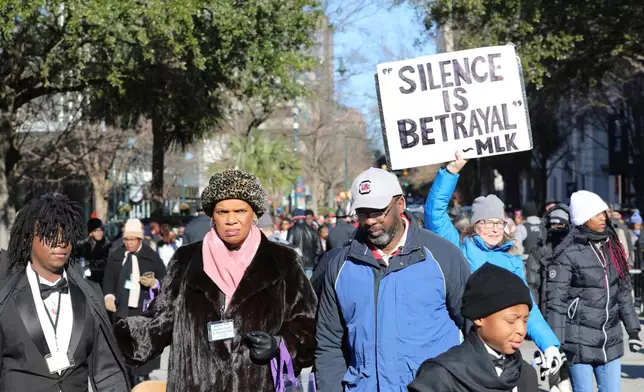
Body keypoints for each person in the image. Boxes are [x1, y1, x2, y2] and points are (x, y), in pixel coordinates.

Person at [113, 169, 317, 392]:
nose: (231, 220)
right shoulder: (186, 260)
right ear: (212, 215)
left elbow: (308, 326)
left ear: (254, 214)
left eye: (240, 211)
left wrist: (280, 346)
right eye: (222, 211)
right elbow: (160, 321)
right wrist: (111, 333)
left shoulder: (283, 261)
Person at [316, 168, 470, 392]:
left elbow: (476, 328)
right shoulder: (340, 266)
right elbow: (329, 345)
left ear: (400, 204)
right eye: (362, 213)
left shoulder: (443, 256)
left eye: (378, 212)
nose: (370, 221)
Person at [424, 152, 562, 377]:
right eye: (488, 222)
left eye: (499, 222)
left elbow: (526, 307)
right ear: (475, 225)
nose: (495, 228)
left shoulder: (512, 259)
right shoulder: (458, 246)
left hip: (501, 350)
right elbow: (434, 213)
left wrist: (549, 345)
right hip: (463, 346)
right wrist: (451, 171)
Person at [0, 193, 129, 391]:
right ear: (28, 239)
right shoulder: (5, 296)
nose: (61, 242)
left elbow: (107, 371)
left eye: (66, 234)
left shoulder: (90, 295)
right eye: (51, 234)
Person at [546, 191, 642, 392]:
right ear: (582, 218)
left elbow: (623, 292)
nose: (603, 218)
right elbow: (557, 301)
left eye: (603, 213)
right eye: (596, 214)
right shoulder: (567, 252)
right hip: (578, 340)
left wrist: (633, 331)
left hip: (611, 339)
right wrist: (553, 345)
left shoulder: (613, 247)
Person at [409, 263, 538, 392]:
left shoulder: (526, 374)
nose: (521, 330)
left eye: (525, 320)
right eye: (511, 320)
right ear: (479, 318)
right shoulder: (441, 376)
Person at [102, 218, 167, 384]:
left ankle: (141, 378)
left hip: (143, 309)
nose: (129, 243)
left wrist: (154, 283)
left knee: (142, 345)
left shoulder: (151, 257)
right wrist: (108, 296)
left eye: (132, 240)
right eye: (126, 239)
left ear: (140, 239)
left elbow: (166, 280)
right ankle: (126, 376)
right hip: (121, 310)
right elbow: (108, 280)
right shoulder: (116, 256)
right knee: (123, 346)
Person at [525, 204, 570, 314]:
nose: (556, 227)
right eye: (553, 224)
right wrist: (534, 313)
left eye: (561, 224)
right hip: (546, 308)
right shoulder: (539, 250)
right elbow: (532, 284)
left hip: (571, 309)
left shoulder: (576, 249)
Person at [287, 208, 323, 277]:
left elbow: (288, 247)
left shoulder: (292, 230)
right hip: (309, 265)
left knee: (298, 286)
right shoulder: (313, 230)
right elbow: (319, 250)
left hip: (296, 264)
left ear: (295, 219)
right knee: (309, 286)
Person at [76, 217, 112, 284]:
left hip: (101, 280)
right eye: (96, 230)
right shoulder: (83, 245)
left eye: (101, 230)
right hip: (85, 279)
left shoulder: (107, 245)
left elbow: (105, 262)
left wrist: (89, 263)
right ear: (90, 233)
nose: (99, 233)